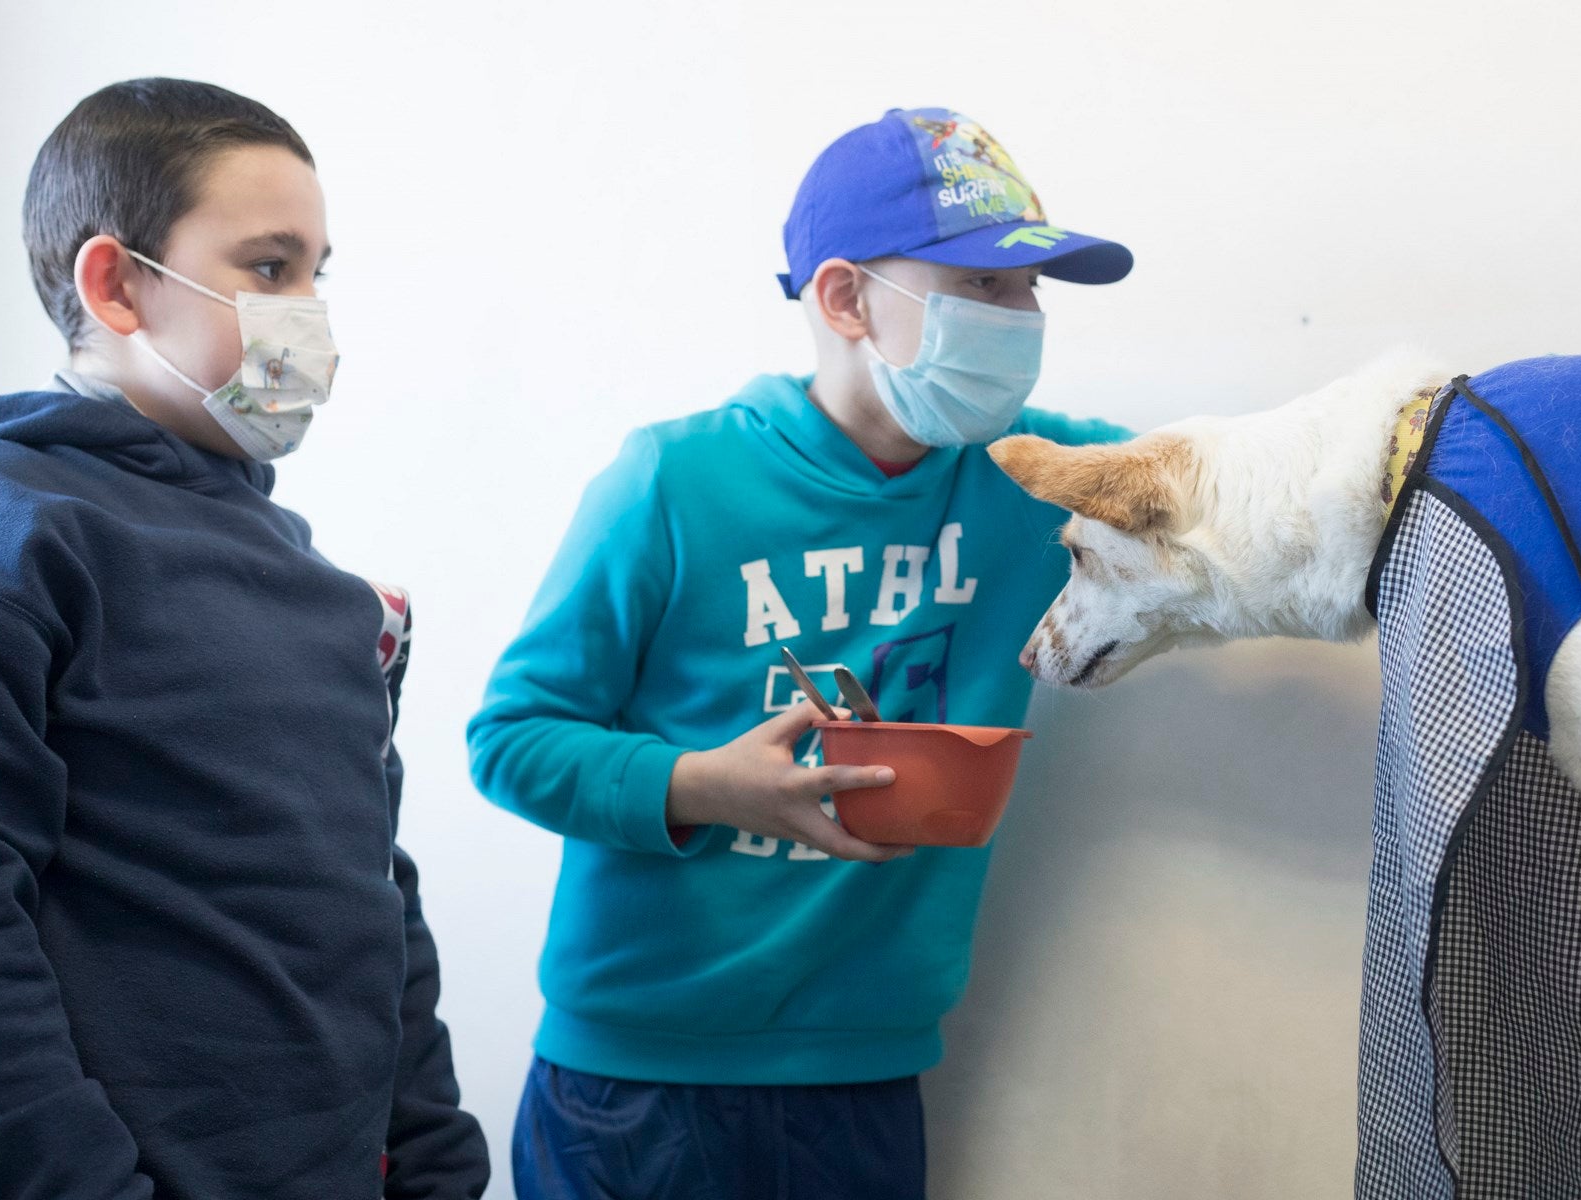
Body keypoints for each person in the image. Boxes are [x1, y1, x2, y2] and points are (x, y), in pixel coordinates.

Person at [468, 106, 1134, 1199]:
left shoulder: (1035, 474)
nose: (1018, 319)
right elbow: (510, 740)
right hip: (636, 1084)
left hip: (863, 1075)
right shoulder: (670, 483)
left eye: (1028, 292)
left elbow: (1213, 479)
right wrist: (701, 786)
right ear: (842, 299)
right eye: (979, 288)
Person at [0, 78, 489, 1199]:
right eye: (269, 269)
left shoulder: (307, 578)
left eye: (318, 272)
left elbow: (369, 894)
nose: (307, 309)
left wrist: (432, 1154)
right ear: (116, 285)